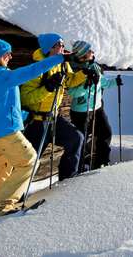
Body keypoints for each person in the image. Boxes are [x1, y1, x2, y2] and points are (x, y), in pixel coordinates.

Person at [0, 37, 68, 227]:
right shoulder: (0, 75)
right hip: (6, 130)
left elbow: (3, 103)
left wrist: (22, 114)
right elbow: (30, 71)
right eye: (7, 53)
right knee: (29, 161)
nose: (11, 56)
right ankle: (1, 207)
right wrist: (58, 59)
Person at [20, 33, 87, 181]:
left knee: (76, 138)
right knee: (30, 160)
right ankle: (17, 197)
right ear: (48, 49)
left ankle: (68, 180)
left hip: (54, 118)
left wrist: (85, 73)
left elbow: (70, 81)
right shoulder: (37, 68)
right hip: (37, 122)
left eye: (63, 45)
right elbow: (24, 99)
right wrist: (47, 88)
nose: (63, 48)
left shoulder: (63, 64)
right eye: (59, 45)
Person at [67, 40, 123, 170]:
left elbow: (102, 83)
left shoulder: (95, 66)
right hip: (81, 111)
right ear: (83, 54)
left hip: (97, 108)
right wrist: (87, 86)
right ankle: (78, 167)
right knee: (81, 139)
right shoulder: (75, 69)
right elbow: (72, 92)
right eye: (89, 50)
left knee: (105, 132)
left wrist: (115, 82)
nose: (92, 52)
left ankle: (101, 163)